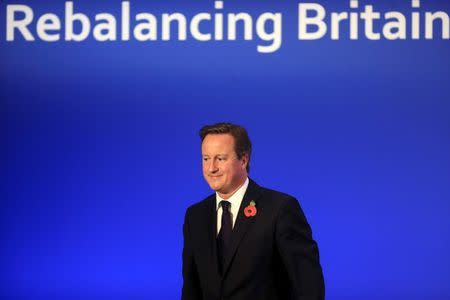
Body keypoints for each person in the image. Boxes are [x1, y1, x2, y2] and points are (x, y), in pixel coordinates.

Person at [182, 122, 325, 300]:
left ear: (243, 160)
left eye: (220, 158)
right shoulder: (195, 216)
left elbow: (308, 285)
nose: (211, 168)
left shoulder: (280, 209)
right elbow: (191, 288)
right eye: (206, 158)